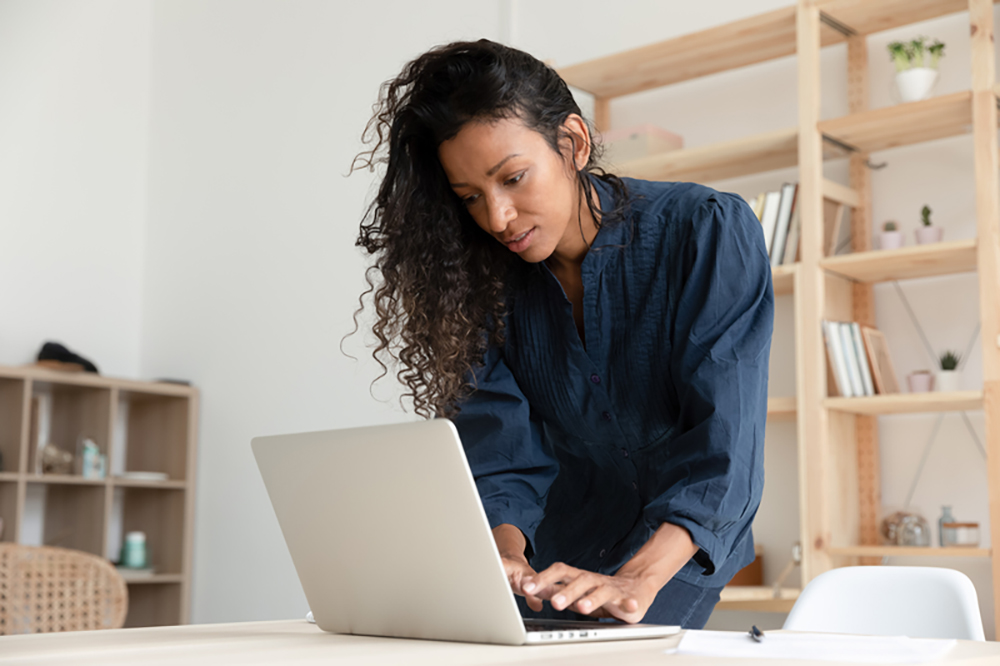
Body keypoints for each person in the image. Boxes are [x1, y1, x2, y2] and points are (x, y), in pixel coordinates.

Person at [352, 39, 773, 629]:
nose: (497, 218)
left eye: (514, 178)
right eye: (471, 197)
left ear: (572, 143)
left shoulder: (705, 231)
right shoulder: (474, 282)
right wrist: (505, 561)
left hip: (676, 547)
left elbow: (724, 447)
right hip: (557, 546)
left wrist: (638, 576)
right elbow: (500, 450)